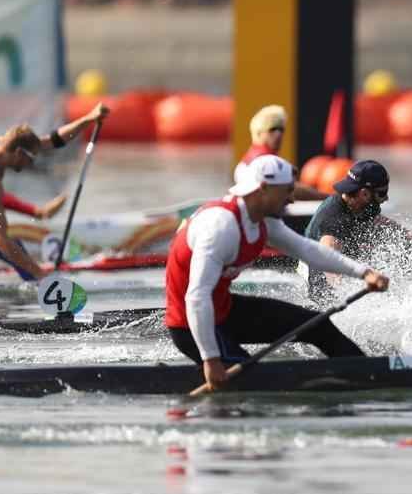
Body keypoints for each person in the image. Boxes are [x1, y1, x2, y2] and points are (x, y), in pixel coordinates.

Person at [165, 154, 391, 392]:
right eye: (286, 191)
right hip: (191, 324)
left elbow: (308, 250)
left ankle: (371, 376)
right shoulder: (221, 227)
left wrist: (364, 273)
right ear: (263, 189)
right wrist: (211, 361)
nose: (291, 199)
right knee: (255, 385)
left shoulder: (262, 220)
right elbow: (197, 297)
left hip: (224, 310)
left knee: (318, 326)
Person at [0, 106, 107, 280]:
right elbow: (0, 240)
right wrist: (40, 273)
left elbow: (51, 141)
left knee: (16, 247)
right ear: (19, 152)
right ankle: (42, 282)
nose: (31, 163)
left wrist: (88, 119)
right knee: (8, 245)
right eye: (31, 158)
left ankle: (38, 288)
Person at [302, 158, 412, 301]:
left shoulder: (354, 202)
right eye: (382, 193)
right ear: (364, 193)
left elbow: (380, 222)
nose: (386, 198)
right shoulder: (334, 221)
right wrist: (346, 294)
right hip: (322, 291)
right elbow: (329, 262)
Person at [234, 105, 328, 201]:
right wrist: (327, 198)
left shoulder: (250, 159)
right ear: (258, 133)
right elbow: (291, 190)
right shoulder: (264, 161)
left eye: (281, 129)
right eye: (272, 129)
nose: (278, 134)